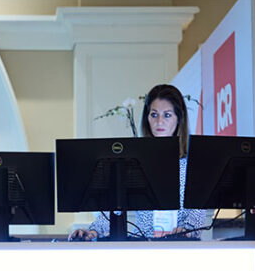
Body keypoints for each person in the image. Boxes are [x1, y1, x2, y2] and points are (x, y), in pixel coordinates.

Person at [69, 84, 205, 240]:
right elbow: (114, 209)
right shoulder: (134, 164)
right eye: (154, 115)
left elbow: (197, 214)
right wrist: (92, 231)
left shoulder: (193, 165)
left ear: (179, 119)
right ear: (147, 118)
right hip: (144, 249)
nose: (159, 121)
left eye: (167, 115)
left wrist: (185, 231)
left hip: (183, 249)